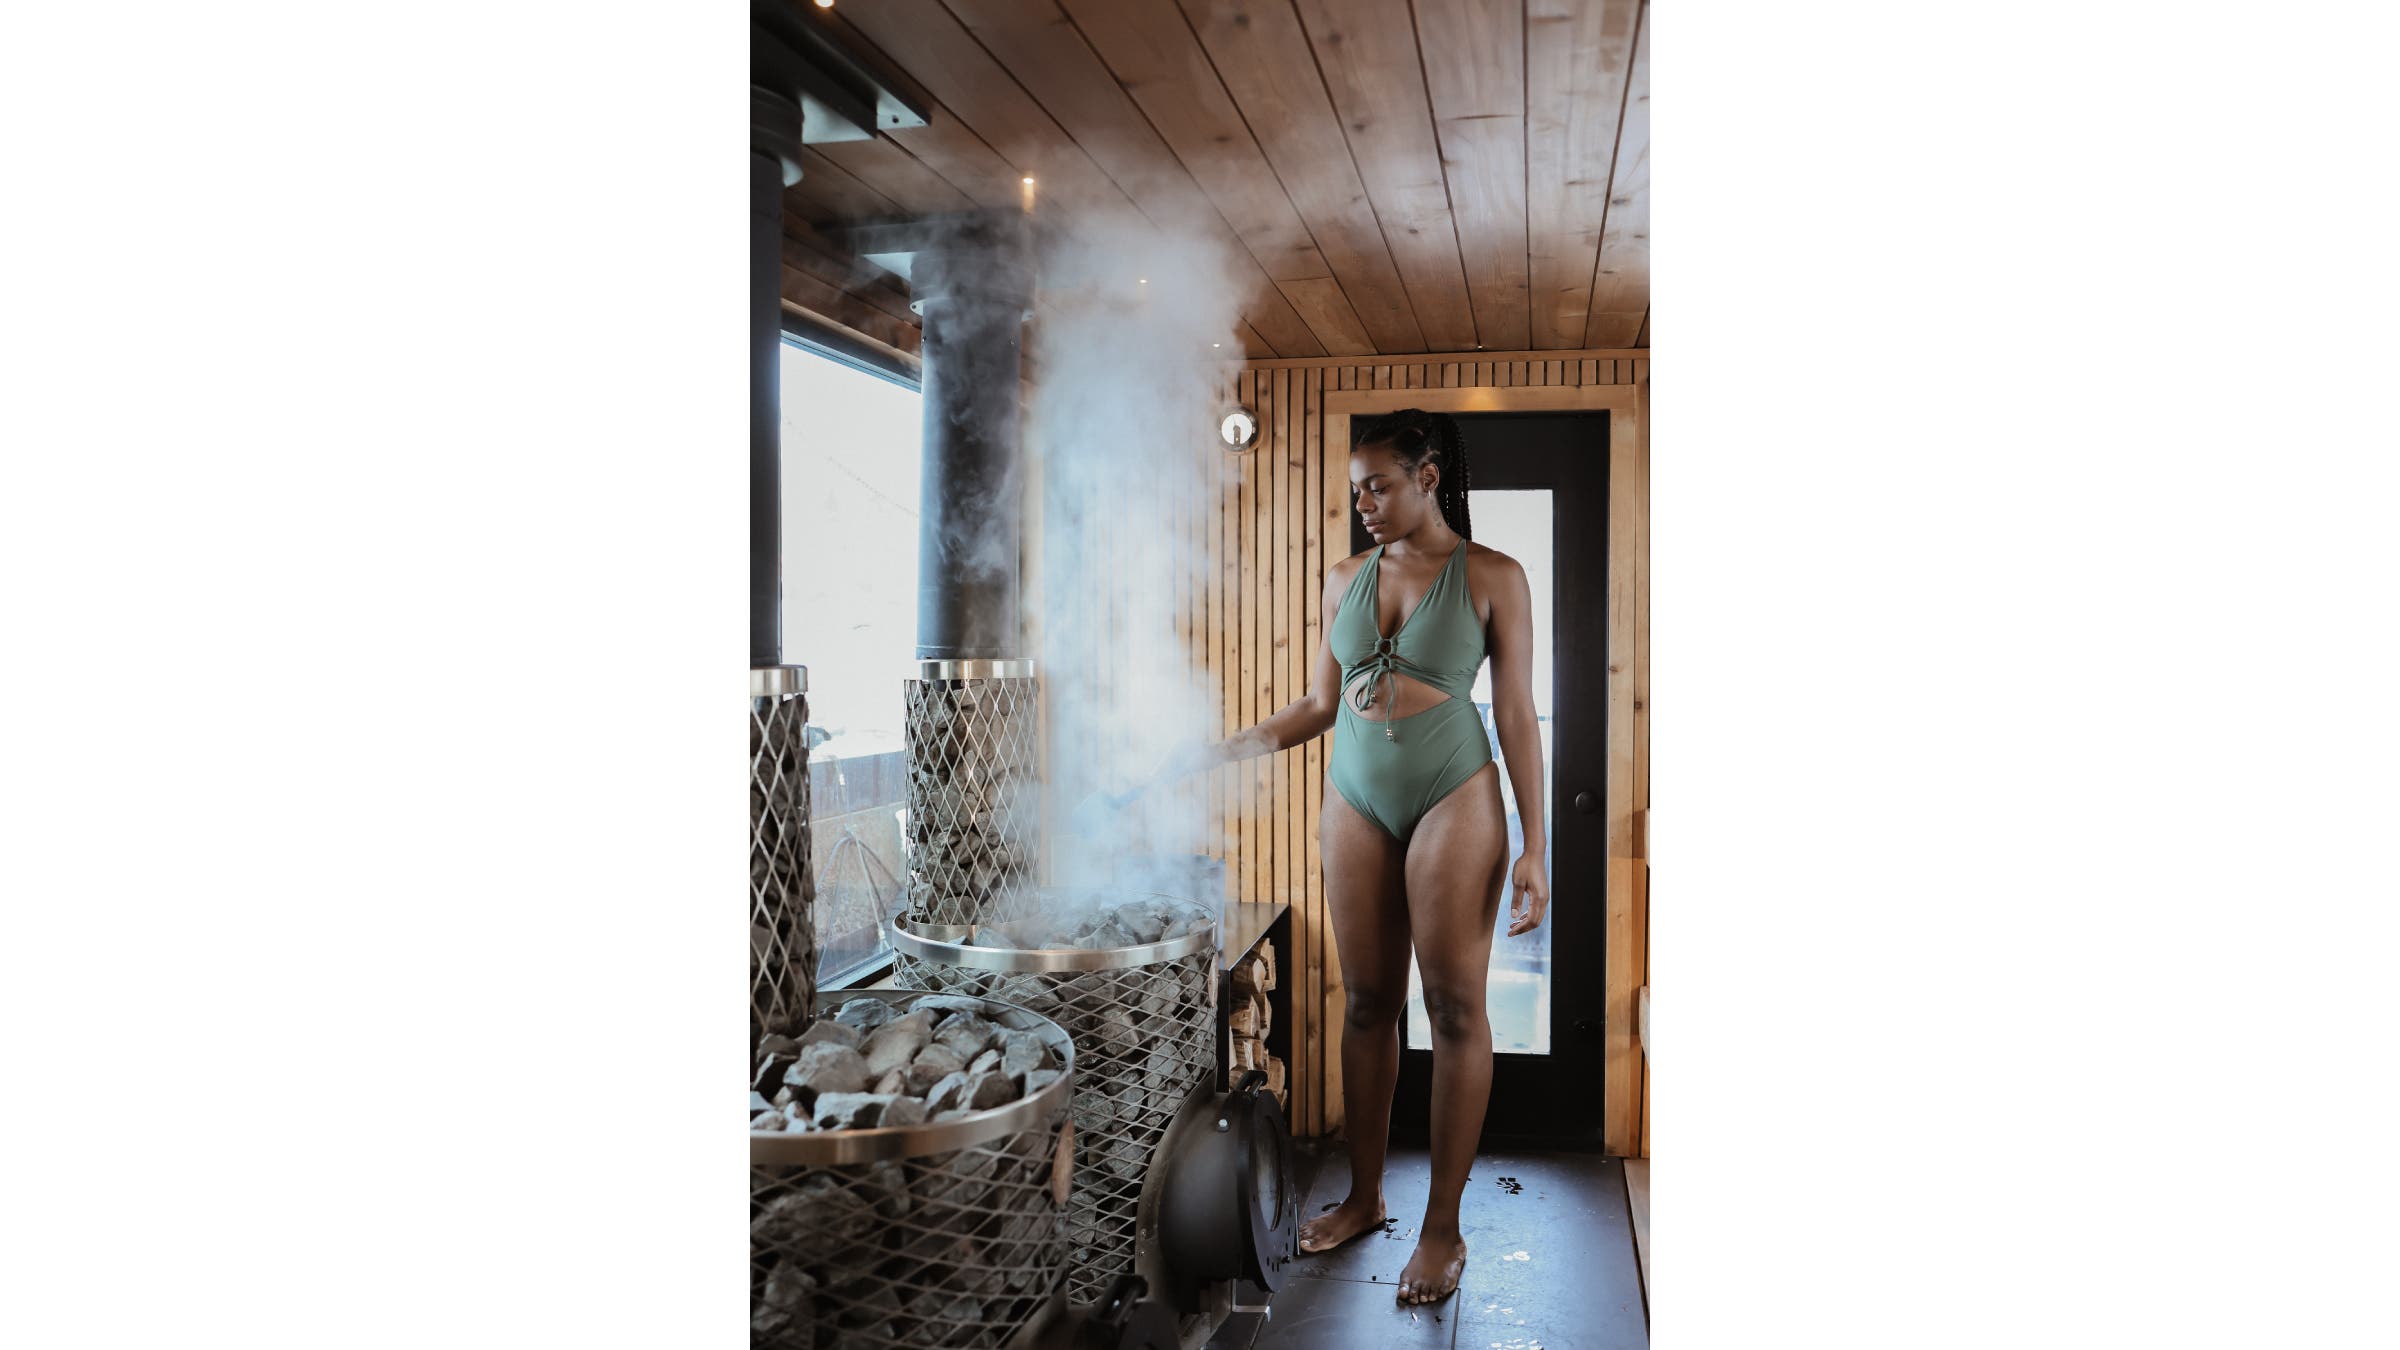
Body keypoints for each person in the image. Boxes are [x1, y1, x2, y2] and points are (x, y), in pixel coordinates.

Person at [1164, 408, 1549, 1305]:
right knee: (1369, 1000)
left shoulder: (1493, 575)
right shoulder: (1345, 574)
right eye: (1354, 490)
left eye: (1379, 485)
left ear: (1428, 476)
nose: (1365, 503)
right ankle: (1367, 1196)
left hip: (1456, 789)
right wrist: (1220, 749)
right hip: (1356, 795)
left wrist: (1537, 846)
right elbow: (1317, 705)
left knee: (1454, 1007)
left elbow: (1521, 713)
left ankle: (1443, 1229)